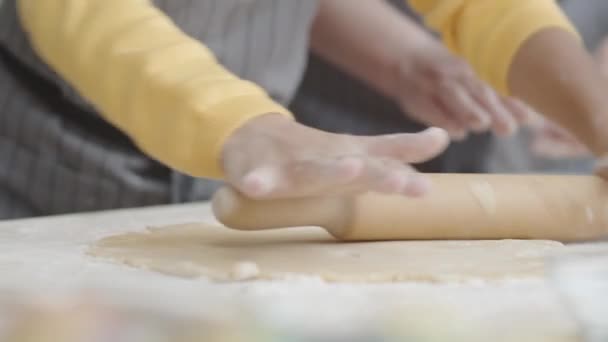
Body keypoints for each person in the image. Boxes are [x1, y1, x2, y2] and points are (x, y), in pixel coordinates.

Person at [1, 0, 607, 220]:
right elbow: (75, 11)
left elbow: (481, 6)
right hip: (49, 146)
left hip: (251, 150)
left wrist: (599, 121)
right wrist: (239, 125)